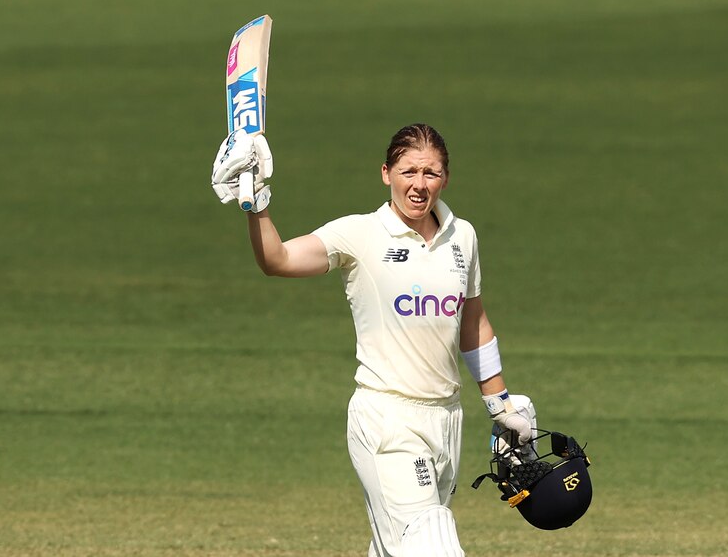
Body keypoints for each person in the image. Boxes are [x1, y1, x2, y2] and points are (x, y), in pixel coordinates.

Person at [211, 124, 533, 556]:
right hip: (387, 417)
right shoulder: (360, 234)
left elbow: (473, 323)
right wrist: (255, 205)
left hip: (447, 419)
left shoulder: (464, 237)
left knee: (394, 547)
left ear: (446, 178)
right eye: (408, 172)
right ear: (386, 173)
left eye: (431, 173)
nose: (419, 185)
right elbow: (278, 259)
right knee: (431, 544)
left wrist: (500, 404)